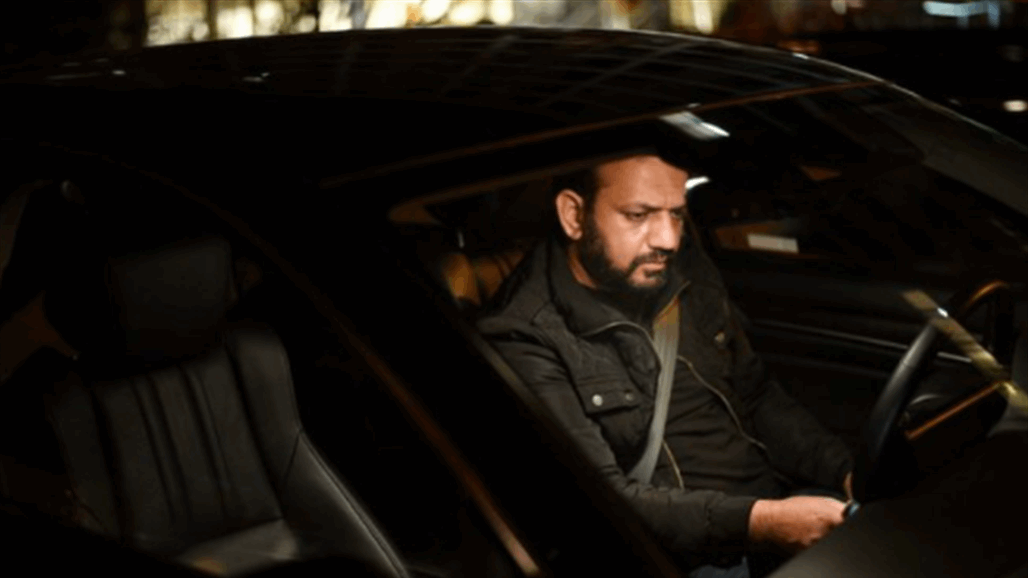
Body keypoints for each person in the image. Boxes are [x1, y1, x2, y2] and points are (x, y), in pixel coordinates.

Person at [477, 150, 855, 577]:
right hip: (688, 556)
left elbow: (756, 393)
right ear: (574, 215)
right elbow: (603, 499)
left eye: (676, 214)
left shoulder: (683, 265)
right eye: (638, 215)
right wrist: (763, 522)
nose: (668, 239)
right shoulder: (525, 334)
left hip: (776, 506)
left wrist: (844, 470)